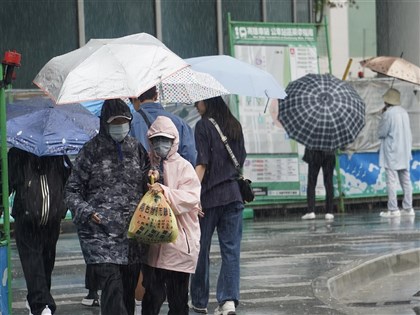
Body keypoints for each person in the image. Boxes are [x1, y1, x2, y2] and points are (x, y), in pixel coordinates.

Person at [64, 98, 150, 315]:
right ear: (104, 123)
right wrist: (88, 212)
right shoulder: (90, 151)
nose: (120, 126)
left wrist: (155, 182)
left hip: (132, 237)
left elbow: (149, 182)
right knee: (112, 293)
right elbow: (71, 191)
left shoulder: (136, 148)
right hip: (100, 238)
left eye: (125, 121)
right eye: (115, 121)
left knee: (127, 296)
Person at [190, 96, 246, 315]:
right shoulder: (235, 126)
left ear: (209, 102)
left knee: (200, 249)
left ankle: (199, 300)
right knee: (231, 250)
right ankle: (228, 300)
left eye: (198, 101)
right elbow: (240, 159)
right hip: (233, 196)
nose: (196, 105)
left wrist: (191, 194)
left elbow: (202, 164)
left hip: (209, 198)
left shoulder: (203, 126)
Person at [141, 115, 201, 315]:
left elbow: (190, 197)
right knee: (152, 297)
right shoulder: (147, 166)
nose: (160, 144)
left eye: (165, 139)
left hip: (179, 247)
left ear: (174, 140)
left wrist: (164, 191)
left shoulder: (184, 167)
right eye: (156, 139)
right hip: (153, 245)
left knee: (178, 301)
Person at [8, 147, 72, 315]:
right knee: (33, 263)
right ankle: (42, 305)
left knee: (45, 264)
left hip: (51, 219)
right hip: (28, 219)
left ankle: (38, 301)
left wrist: (63, 207)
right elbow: (8, 182)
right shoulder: (18, 153)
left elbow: (69, 181)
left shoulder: (57, 152)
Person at [130, 86, 197, 165]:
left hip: (142, 175)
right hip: (174, 175)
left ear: (134, 98)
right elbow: (190, 157)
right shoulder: (180, 123)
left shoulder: (130, 123)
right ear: (156, 96)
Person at [378, 88, 415, 218]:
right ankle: (408, 208)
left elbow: (382, 133)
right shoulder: (404, 112)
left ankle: (393, 209)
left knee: (391, 181)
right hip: (404, 150)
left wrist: (382, 116)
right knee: (406, 180)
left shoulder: (388, 114)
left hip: (392, 151)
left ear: (387, 101)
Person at [301, 148, 336, 220]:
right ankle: (329, 212)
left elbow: (309, 142)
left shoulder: (314, 136)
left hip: (315, 153)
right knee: (329, 183)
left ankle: (311, 211)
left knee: (311, 183)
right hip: (329, 154)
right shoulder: (331, 136)